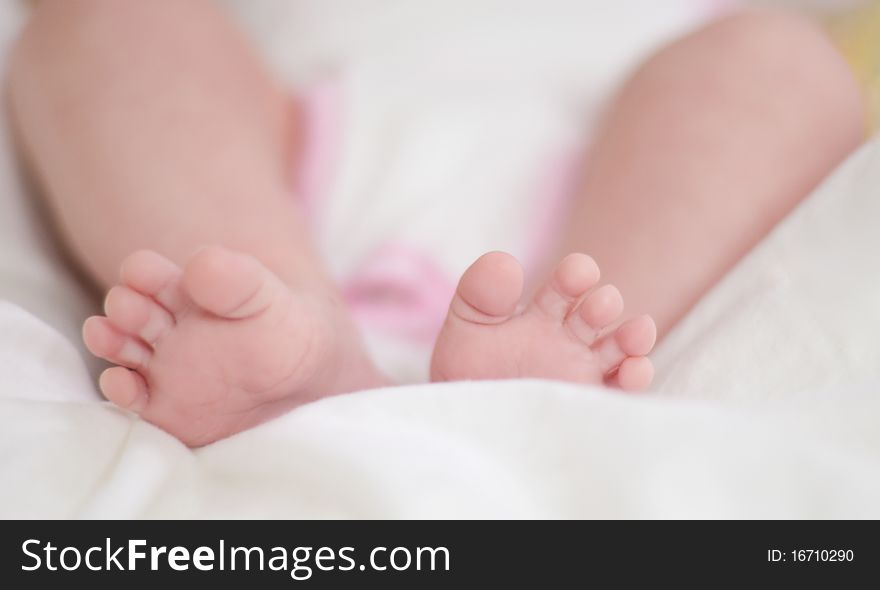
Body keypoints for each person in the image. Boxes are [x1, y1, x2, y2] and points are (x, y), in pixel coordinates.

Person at [9, 0, 864, 446]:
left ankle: (576, 350)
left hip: (621, 185)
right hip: (302, 158)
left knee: (776, 59)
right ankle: (298, 328)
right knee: (113, 21)